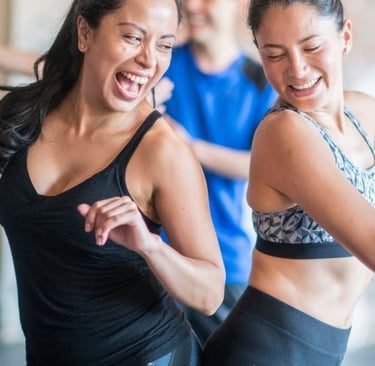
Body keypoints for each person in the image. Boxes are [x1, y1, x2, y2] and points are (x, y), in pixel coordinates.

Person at [0, 0, 226, 365]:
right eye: (133, 37)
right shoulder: (22, 117)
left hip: (150, 355)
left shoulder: (161, 152)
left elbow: (209, 293)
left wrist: (150, 247)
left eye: (165, 45)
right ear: (85, 32)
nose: (150, 60)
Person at [202, 0, 375, 365]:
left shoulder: (366, 113)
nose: (296, 69)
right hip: (269, 351)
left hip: (322, 350)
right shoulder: (285, 133)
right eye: (274, 54)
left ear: (344, 35)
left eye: (312, 47)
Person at [158, 0, 277, 345]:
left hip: (226, 262)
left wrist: (187, 147)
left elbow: (262, 166)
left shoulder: (262, 83)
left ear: (241, 5)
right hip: (153, 254)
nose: (192, 6)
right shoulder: (159, 64)